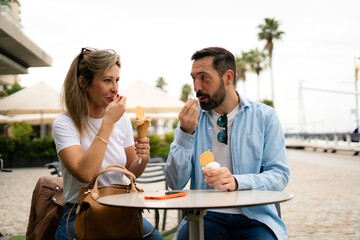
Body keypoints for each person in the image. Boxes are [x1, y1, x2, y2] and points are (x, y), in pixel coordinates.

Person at [164, 47, 290, 240]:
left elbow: (279, 176)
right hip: (204, 216)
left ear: (228, 77)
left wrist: (238, 182)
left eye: (204, 77)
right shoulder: (191, 120)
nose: (196, 87)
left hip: (255, 218)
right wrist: (185, 133)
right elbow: (175, 183)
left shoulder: (265, 117)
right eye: (194, 78)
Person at [52, 47, 163, 240]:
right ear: (83, 82)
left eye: (117, 80)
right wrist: (108, 122)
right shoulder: (65, 124)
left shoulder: (121, 120)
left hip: (121, 206)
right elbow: (85, 173)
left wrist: (142, 160)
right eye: (107, 80)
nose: (115, 88)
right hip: (81, 211)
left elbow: (130, 169)